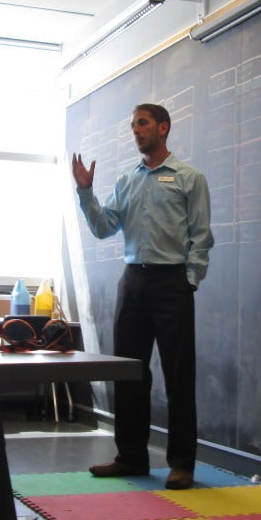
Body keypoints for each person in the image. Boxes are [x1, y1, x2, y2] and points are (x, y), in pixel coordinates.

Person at [72, 103, 213, 490]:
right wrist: (86, 192)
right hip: (133, 282)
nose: (136, 131)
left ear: (163, 128)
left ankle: (182, 463)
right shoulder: (127, 181)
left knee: (178, 376)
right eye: (133, 125)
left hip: (172, 284)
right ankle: (131, 457)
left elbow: (201, 236)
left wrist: (189, 280)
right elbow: (103, 227)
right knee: (129, 373)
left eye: (143, 123)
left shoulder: (189, 177)